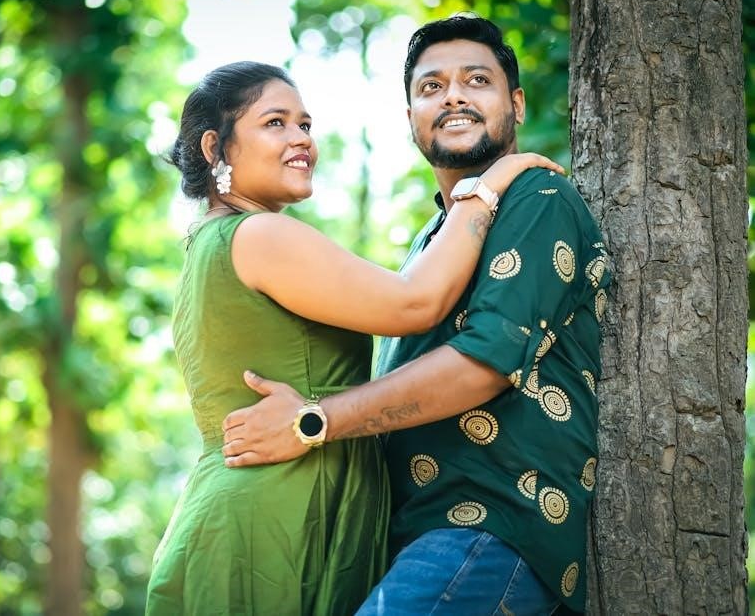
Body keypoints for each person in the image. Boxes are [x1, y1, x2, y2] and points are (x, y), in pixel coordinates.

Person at [221, 16, 611, 615]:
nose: (453, 96)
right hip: (419, 538)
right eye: (432, 87)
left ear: (516, 105)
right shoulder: (434, 239)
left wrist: (311, 421)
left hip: (492, 528)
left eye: (476, 80)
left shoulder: (537, 198)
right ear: (411, 119)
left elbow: (484, 363)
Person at [145, 59, 562, 616]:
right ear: (215, 148)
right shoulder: (259, 235)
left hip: (273, 503)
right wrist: (486, 188)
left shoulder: (210, 244)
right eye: (275, 123)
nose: (301, 139)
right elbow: (416, 302)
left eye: (305, 124)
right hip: (271, 516)